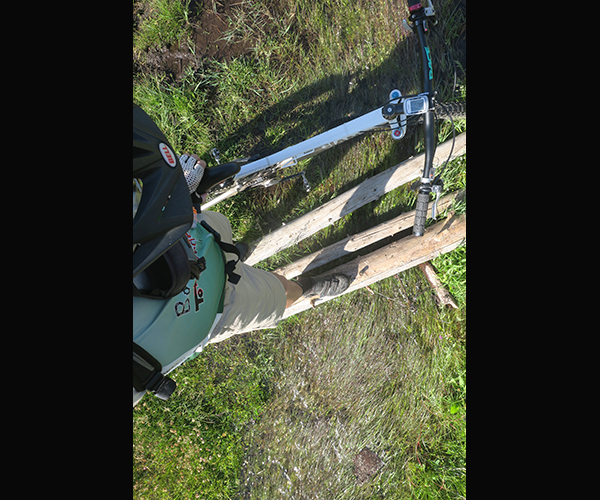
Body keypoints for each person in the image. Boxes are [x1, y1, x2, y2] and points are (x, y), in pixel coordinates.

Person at [133, 103, 350, 406]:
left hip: (193, 237)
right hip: (213, 303)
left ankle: (234, 256)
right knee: (280, 294)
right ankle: (306, 287)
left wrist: (172, 194)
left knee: (223, 230)